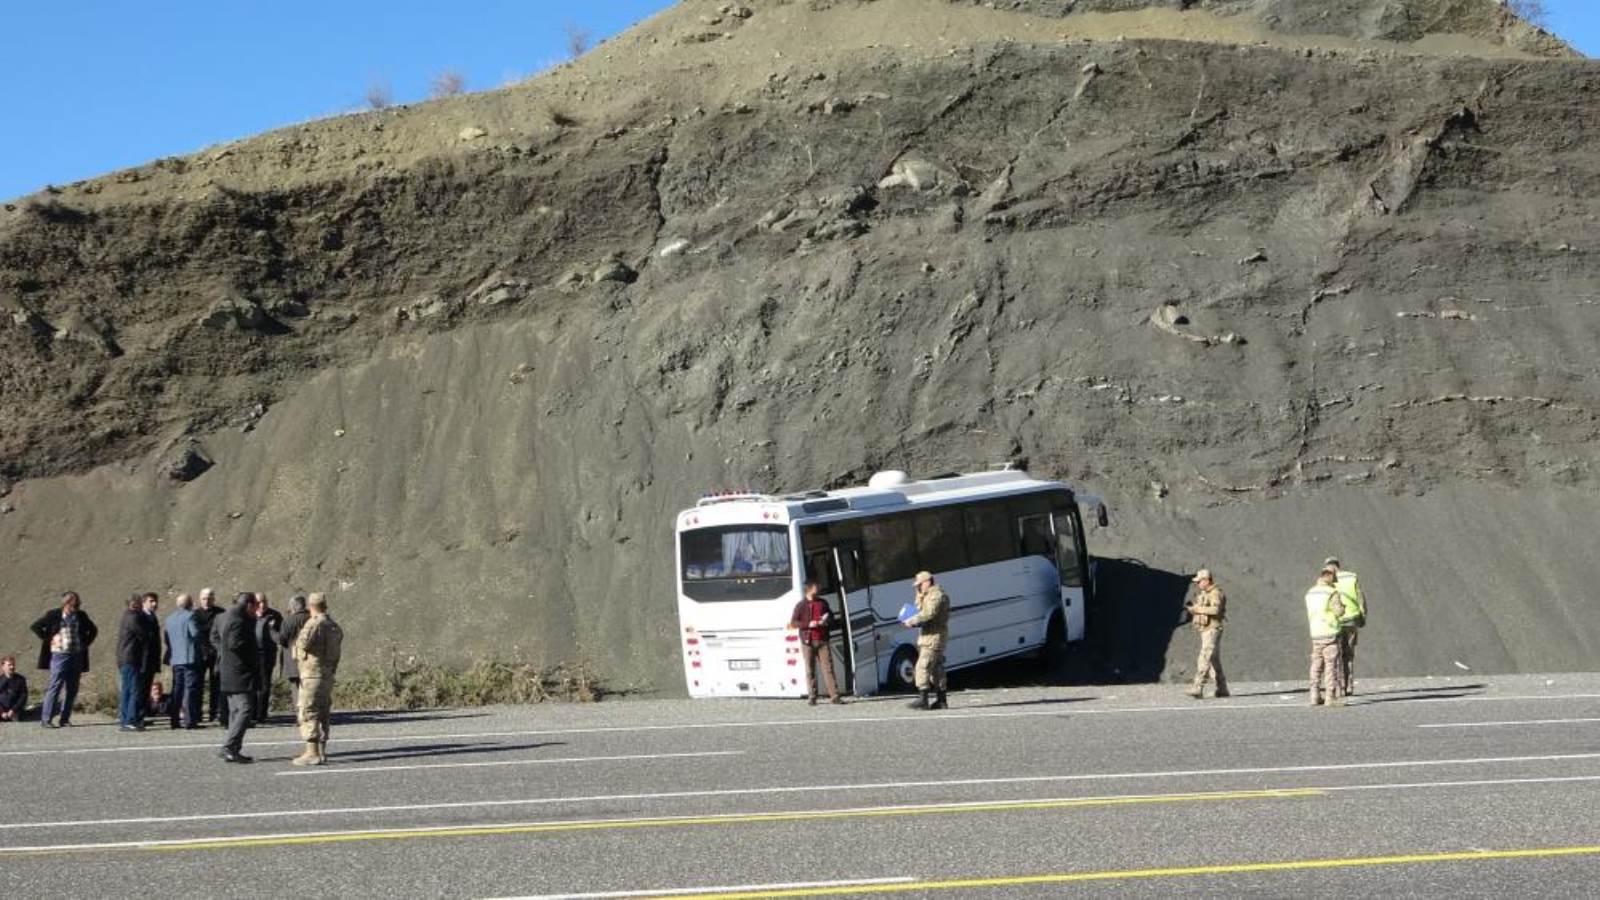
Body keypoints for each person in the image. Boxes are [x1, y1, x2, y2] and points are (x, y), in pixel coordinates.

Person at [291, 593, 344, 766]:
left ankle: (311, 753)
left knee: (309, 710)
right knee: (323, 712)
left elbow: (303, 644)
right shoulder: (334, 626)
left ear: (310, 606)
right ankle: (321, 751)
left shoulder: (314, 623)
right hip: (327, 674)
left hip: (312, 673)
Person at [32, 591, 98, 728]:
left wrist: (84, 643)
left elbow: (93, 630)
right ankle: (46, 719)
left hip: (76, 655)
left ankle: (65, 718)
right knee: (55, 686)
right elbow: (36, 626)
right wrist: (49, 639)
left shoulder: (81, 615)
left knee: (72, 688)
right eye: (75, 604)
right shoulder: (53, 615)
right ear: (66, 603)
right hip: (59, 655)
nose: (77, 607)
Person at [217, 593, 260, 763]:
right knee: (245, 709)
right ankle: (229, 746)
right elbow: (234, 643)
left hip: (229, 672)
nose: (256, 609)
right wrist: (252, 655)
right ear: (249, 605)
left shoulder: (225, 616)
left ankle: (233, 749)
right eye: (255, 605)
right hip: (239, 673)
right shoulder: (238, 620)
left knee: (235, 711)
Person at [789, 580, 841, 705]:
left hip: (822, 640)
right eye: (816, 586)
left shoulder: (823, 603)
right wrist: (808, 624)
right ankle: (812, 697)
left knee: (828, 668)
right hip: (808, 642)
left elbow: (832, 618)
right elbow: (793, 623)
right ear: (810, 589)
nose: (819, 587)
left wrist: (826, 621)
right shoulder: (800, 605)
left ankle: (834, 696)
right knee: (810, 669)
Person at [904, 571, 950, 710]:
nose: (918, 588)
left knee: (922, 666)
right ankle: (941, 701)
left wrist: (912, 620)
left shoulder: (936, 595)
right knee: (936, 669)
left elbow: (928, 613)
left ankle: (923, 699)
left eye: (920, 585)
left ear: (928, 582)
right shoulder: (927, 596)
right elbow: (919, 609)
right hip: (929, 636)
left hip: (934, 636)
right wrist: (919, 596)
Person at [1305, 567, 1350, 708]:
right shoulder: (1331, 593)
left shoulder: (1310, 593)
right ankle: (1330, 697)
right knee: (1331, 665)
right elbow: (1338, 611)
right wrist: (1343, 608)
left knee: (1316, 665)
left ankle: (1314, 694)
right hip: (1329, 632)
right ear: (1330, 577)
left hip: (1315, 633)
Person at [1183, 568, 1230, 700]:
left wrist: (1197, 609)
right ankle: (1222, 689)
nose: (1197, 584)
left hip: (1212, 629)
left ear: (1206, 580)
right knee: (1214, 660)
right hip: (1206, 629)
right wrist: (1193, 609)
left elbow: (1215, 609)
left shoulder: (1216, 593)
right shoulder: (1205, 593)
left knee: (1204, 657)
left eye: (1199, 581)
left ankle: (1198, 687)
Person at [1324, 557, 1367, 696]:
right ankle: (1348, 686)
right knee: (1348, 655)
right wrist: (1363, 615)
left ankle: (1339, 687)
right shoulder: (1351, 577)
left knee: (1336, 654)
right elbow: (1361, 597)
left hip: (1336, 622)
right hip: (1352, 620)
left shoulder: (1327, 581)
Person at [116, 594, 157, 732]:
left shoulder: (127, 616)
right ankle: (130, 720)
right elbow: (144, 634)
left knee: (127, 691)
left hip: (125, 658)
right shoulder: (133, 617)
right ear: (135, 604)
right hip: (131, 658)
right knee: (134, 690)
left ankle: (125, 719)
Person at [164, 593, 202, 729]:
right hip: (189, 658)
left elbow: (167, 638)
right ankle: (189, 720)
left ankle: (174, 720)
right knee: (189, 690)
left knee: (176, 689)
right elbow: (195, 634)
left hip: (176, 659)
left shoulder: (169, 619)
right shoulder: (190, 616)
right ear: (190, 603)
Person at [193, 588, 224, 722]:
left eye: (209, 598)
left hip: (216, 653)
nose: (207, 601)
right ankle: (197, 713)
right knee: (198, 684)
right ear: (200, 599)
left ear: (214, 599)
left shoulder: (220, 613)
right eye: (204, 598)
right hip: (200, 654)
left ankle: (215, 712)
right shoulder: (194, 614)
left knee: (216, 684)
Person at [253, 593, 283, 724]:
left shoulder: (274, 615)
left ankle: (262, 713)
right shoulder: (250, 614)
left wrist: (271, 627)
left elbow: (281, 635)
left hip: (267, 654)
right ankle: (252, 712)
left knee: (264, 685)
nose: (262, 605)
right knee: (253, 685)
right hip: (252, 654)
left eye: (264, 601)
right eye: (259, 602)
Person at [278, 595, 310, 709]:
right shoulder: (312, 618)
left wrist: (271, 630)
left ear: (293, 607)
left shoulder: (289, 621)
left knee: (296, 689)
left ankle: (300, 715)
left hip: (293, 661)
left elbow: (281, 640)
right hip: (311, 661)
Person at [0, 655, 27, 722]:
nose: (12, 667)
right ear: (3, 667)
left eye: (13, 665)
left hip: (15, 711)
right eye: (9, 665)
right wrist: (1, 712)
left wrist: (13, 710)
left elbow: (23, 696)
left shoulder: (20, 679)